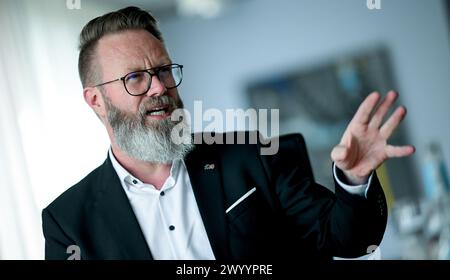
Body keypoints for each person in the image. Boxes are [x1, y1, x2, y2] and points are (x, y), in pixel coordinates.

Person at [42, 6, 415, 260]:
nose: (159, 88)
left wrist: (354, 179)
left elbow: (350, 242)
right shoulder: (68, 221)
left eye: (164, 71)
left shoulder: (255, 155)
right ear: (96, 100)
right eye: (135, 78)